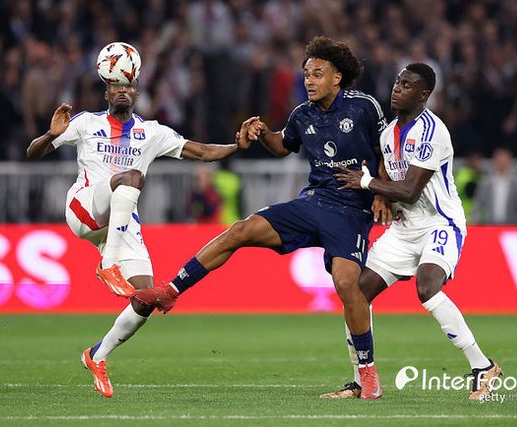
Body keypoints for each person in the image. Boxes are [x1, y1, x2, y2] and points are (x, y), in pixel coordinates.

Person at [134, 36, 388, 399]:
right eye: (306, 74)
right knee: (241, 229)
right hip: (314, 202)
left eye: (318, 74)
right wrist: (263, 133)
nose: (309, 80)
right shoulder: (302, 114)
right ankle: (171, 290)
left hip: (351, 211)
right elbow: (283, 146)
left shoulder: (364, 107)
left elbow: (386, 151)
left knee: (348, 286)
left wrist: (381, 192)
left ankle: (368, 375)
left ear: (337, 77)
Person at [26, 77, 244, 398]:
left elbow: (202, 152)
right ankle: (108, 265)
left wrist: (239, 146)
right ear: (106, 92)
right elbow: (33, 153)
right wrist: (50, 135)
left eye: (128, 86)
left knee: (147, 297)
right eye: (116, 86)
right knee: (132, 177)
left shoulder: (151, 132)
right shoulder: (86, 123)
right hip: (84, 208)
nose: (122, 91)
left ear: (137, 93)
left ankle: (97, 355)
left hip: (121, 222)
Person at [331, 63, 501, 401]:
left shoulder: (432, 131)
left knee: (427, 288)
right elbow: (387, 172)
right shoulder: (387, 133)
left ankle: (483, 366)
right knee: (355, 294)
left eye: (407, 85)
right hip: (404, 228)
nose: (397, 88)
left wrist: (366, 183)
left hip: (440, 223)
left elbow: (409, 190)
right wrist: (379, 192)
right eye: (397, 82)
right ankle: (362, 380)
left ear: (424, 94)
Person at [471, 147, 517, 224]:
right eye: (499, 161)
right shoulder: (486, 182)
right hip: (490, 225)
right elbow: (478, 204)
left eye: (504, 161)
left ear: (510, 161)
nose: (502, 163)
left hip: (513, 225)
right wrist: (475, 220)